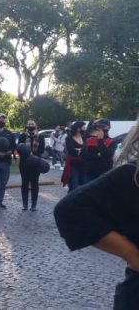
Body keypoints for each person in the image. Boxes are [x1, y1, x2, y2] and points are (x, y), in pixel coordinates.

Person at [53, 117, 139, 309]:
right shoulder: (133, 173)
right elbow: (71, 209)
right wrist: (132, 254)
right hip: (93, 174)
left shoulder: (108, 141)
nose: (103, 129)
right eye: (100, 127)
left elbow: (107, 153)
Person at [17, 119, 46, 211]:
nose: (30, 125)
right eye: (29, 124)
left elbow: (41, 149)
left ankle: (34, 205)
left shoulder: (40, 136)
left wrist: (33, 156)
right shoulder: (22, 136)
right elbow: (19, 148)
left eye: (32, 124)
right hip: (24, 164)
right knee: (24, 184)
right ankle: (25, 204)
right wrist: (27, 154)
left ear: (35, 125)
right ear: (26, 126)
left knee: (34, 184)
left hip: (36, 163)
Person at [82, 118, 118, 183]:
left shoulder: (112, 141)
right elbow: (83, 155)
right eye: (98, 127)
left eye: (103, 127)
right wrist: (98, 155)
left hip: (105, 173)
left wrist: (100, 140)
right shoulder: (89, 140)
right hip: (90, 173)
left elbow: (107, 154)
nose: (100, 129)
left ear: (109, 128)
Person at [63, 122, 87, 192]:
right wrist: (80, 151)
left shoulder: (84, 138)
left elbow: (86, 150)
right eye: (83, 127)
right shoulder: (69, 138)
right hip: (73, 164)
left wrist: (79, 151)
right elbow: (71, 151)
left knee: (83, 184)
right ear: (78, 128)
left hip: (84, 164)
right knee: (74, 185)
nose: (85, 128)